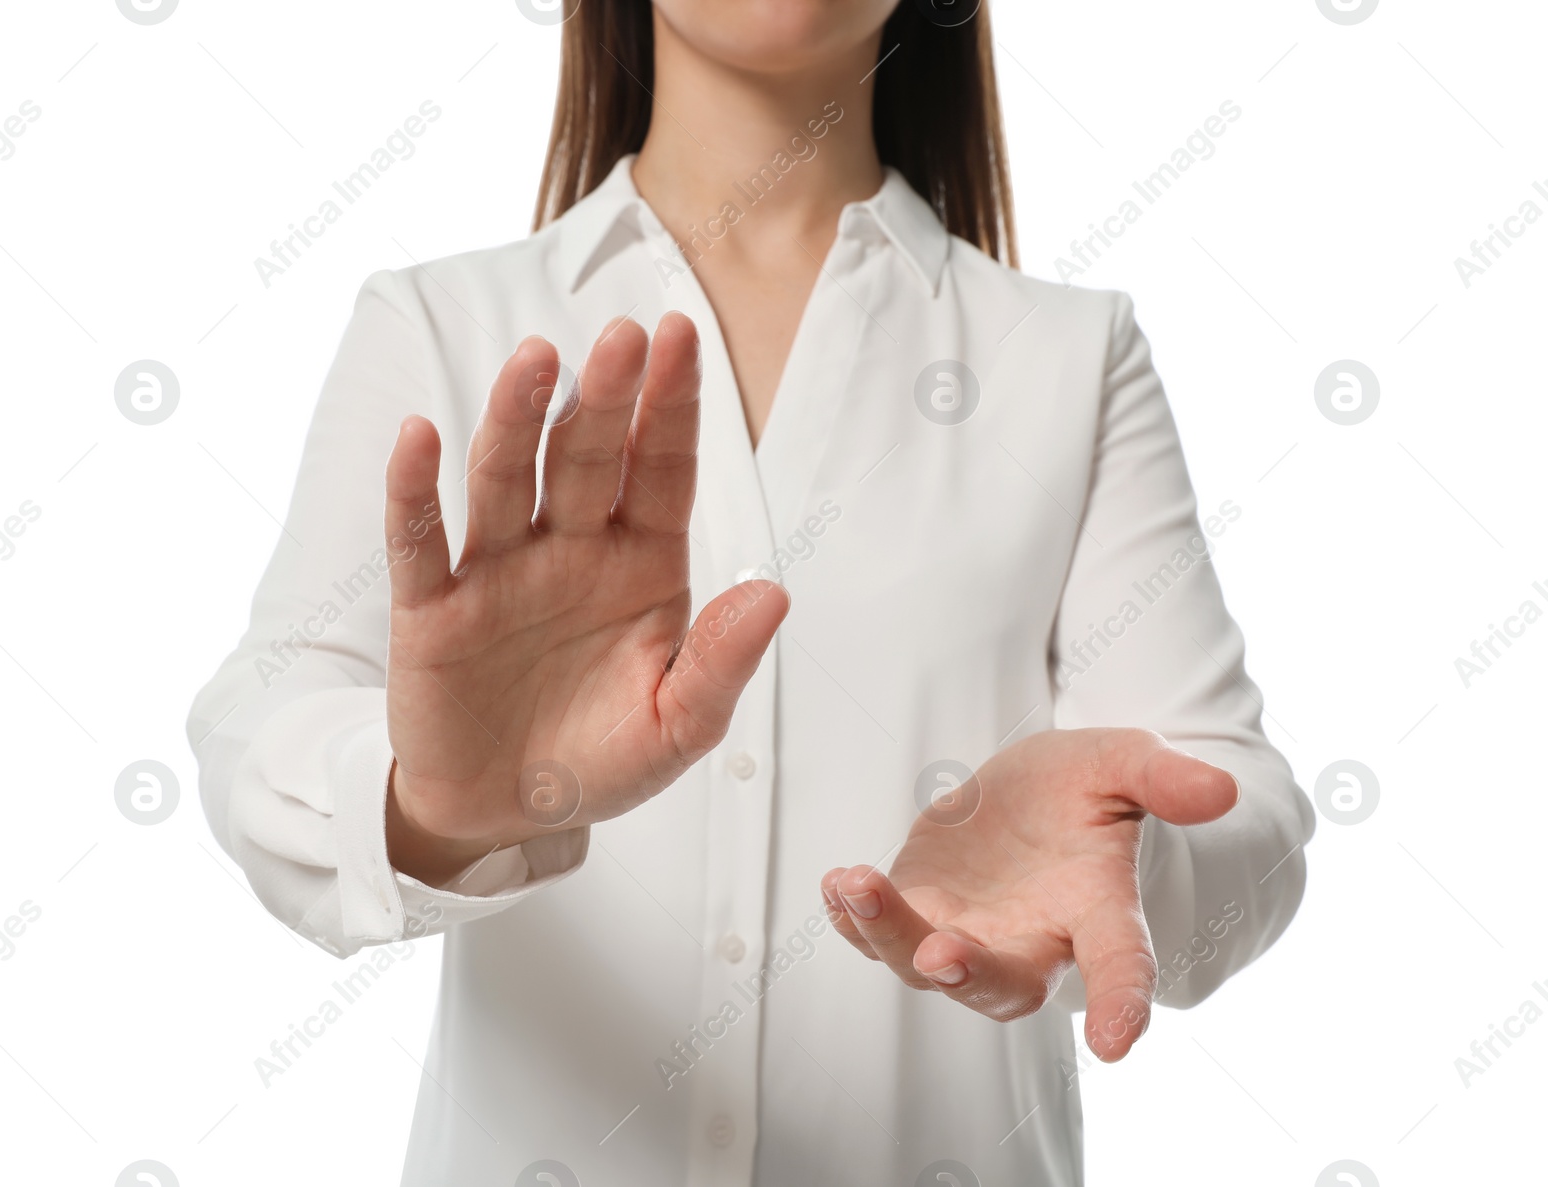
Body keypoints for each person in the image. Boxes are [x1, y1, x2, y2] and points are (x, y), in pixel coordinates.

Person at [187, 2, 1313, 1182]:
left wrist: (1133, 856)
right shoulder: (439, 324)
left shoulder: (1071, 357)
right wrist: (427, 803)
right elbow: (257, 720)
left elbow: (1247, 810)